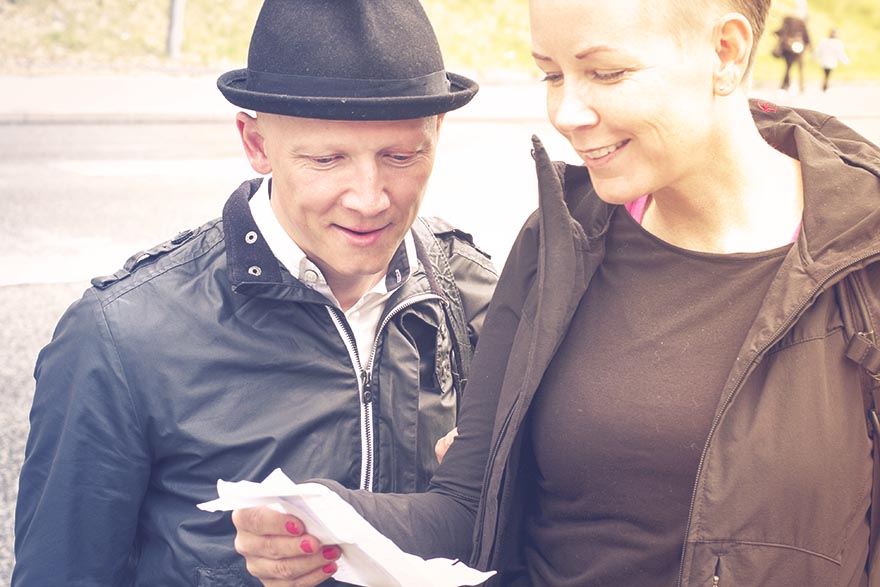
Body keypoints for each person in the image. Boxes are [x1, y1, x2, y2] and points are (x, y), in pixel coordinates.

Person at [231, 0, 880, 586]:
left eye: (605, 73)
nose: (567, 113)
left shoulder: (862, 261)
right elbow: (466, 508)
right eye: (551, 73)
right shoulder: (557, 240)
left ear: (727, 51)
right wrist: (323, 514)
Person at [12, 1, 498, 585]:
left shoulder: (480, 297)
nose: (370, 198)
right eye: (327, 159)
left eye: (401, 156)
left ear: (437, 134)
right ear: (256, 142)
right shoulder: (122, 336)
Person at [774, 1, 811, 92]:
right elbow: (783, 30)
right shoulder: (788, 19)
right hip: (789, 46)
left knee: (799, 66)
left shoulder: (802, 20)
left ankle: (800, 86)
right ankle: (786, 85)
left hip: (798, 46)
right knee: (789, 66)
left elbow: (806, 34)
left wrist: (808, 44)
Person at [815, 27, 850, 92]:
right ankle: (826, 84)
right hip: (828, 61)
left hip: (827, 61)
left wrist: (815, 56)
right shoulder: (832, 42)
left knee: (826, 74)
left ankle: (825, 84)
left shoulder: (828, 42)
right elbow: (841, 53)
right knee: (827, 74)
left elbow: (840, 53)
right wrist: (845, 61)